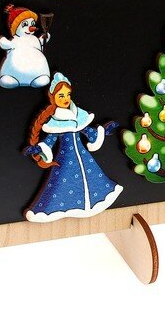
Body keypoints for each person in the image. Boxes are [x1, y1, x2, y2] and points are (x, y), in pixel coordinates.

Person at [23, 72, 122, 222]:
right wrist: (39, 149)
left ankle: (91, 205)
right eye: (61, 95)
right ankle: (62, 209)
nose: (65, 99)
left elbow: (87, 131)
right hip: (65, 160)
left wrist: (103, 131)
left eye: (68, 94)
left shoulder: (78, 116)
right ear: (53, 97)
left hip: (83, 157)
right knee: (62, 184)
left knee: (93, 181)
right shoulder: (55, 122)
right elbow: (50, 141)